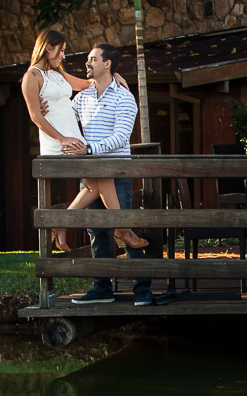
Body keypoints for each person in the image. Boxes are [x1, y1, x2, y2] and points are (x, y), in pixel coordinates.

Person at [20, 30, 147, 251]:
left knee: (96, 185)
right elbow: (34, 115)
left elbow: (87, 84)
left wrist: (114, 75)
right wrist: (63, 138)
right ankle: (124, 230)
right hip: (61, 140)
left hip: (76, 140)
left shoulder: (58, 74)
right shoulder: (31, 76)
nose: (63, 56)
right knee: (101, 182)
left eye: (63, 51)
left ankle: (62, 225)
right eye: (61, 50)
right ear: (48, 47)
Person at [67, 42, 154, 307]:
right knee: (96, 232)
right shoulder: (81, 97)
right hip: (90, 174)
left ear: (107, 64)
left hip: (116, 172)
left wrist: (89, 149)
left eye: (93, 59)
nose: (87, 63)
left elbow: (121, 137)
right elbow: (66, 121)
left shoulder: (124, 97)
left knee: (124, 227)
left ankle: (143, 289)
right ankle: (101, 288)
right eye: (88, 59)